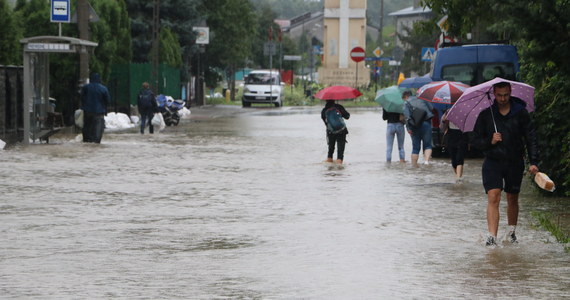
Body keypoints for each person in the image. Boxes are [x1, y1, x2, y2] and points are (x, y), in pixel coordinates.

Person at [470, 81, 539, 246]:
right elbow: (475, 141)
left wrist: (534, 162)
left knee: (512, 197)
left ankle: (511, 232)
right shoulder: (486, 115)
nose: (502, 98)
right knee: (493, 196)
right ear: (494, 94)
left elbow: (531, 138)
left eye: (506, 95)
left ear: (510, 92)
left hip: (515, 161)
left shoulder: (520, 113)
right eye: (499, 95)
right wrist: (490, 140)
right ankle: (492, 237)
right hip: (492, 161)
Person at [404, 94, 434, 166]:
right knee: (428, 145)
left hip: (415, 125)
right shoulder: (424, 98)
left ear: (407, 96)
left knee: (415, 148)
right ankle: (426, 161)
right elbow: (431, 108)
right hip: (426, 123)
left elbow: (407, 117)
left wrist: (408, 128)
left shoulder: (406, 103)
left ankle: (414, 166)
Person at [81, 73, 110, 143]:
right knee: (97, 130)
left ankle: (87, 140)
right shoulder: (103, 88)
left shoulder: (86, 87)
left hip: (87, 111)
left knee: (87, 127)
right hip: (99, 112)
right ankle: (96, 141)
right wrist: (105, 108)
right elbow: (108, 100)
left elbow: (81, 97)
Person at [441, 110, 469, 182]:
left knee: (460, 158)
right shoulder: (448, 112)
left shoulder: (465, 112)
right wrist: (444, 120)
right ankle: (458, 177)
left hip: (462, 136)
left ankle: (458, 178)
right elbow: (442, 127)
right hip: (451, 136)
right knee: (454, 160)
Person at [321, 100, 350, 164]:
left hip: (330, 132)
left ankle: (330, 163)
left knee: (330, 151)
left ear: (326, 100)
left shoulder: (324, 110)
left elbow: (326, 122)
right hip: (342, 131)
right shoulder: (339, 107)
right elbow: (347, 116)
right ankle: (340, 170)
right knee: (340, 152)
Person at [382, 91, 408, 163]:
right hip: (400, 125)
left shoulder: (387, 104)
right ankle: (402, 161)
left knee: (389, 148)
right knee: (401, 147)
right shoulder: (401, 104)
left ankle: (388, 163)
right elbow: (405, 115)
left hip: (390, 125)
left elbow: (384, 118)